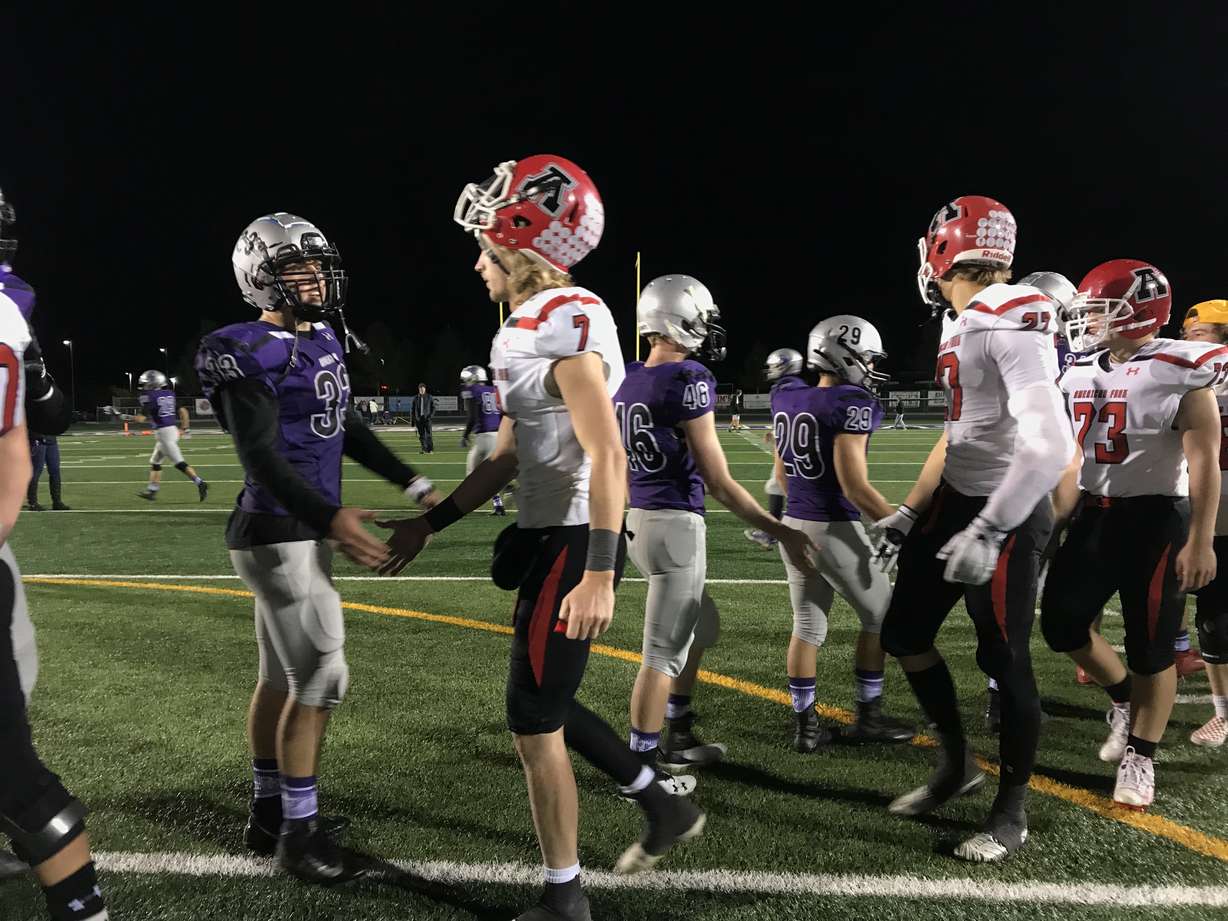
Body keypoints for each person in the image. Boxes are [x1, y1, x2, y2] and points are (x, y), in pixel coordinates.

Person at [382, 155, 704, 921]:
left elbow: (607, 453)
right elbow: (506, 457)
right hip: (552, 534)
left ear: (523, 245)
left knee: (532, 718)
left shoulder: (565, 317)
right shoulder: (526, 328)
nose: (478, 263)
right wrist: (430, 523)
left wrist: (597, 570)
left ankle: (566, 896)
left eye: (487, 249)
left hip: (575, 537)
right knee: (544, 702)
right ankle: (661, 804)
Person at [195, 212, 440, 884]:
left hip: (295, 530)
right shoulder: (244, 347)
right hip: (281, 531)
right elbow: (260, 457)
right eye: (296, 269)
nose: (314, 279)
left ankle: (269, 812)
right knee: (323, 678)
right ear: (260, 278)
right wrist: (330, 517)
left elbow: (344, 424)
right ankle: (299, 838)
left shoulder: (323, 337)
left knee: (281, 678)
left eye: (317, 266)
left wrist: (411, 480)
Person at [873, 196, 1073, 862]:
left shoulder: (1010, 314)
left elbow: (1051, 444)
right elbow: (960, 431)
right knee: (904, 632)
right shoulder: (963, 319)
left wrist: (989, 528)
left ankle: (1011, 810)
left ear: (942, 250)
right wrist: (910, 510)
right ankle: (958, 763)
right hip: (957, 499)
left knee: (1005, 659)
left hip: (1006, 511)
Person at [618, 273, 817, 778]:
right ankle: (642, 771)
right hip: (675, 527)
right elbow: (718, 481)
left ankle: (679, 729)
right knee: (661, 656)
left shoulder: (629, 375)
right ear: (679, 319)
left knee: (703, 624)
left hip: (638, 522)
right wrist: (782, 529)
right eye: (702, 318)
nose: (708, 329)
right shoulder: (688, 378)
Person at [1042, 262, 1223, 809]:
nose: (1089, 320)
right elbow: (1071, 458)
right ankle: (1123, 698)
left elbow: (1205, 460)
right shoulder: (1079, 371)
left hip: (1157, 520)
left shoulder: (1179, 368)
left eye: (1100, 309)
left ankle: (1141, 756)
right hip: (1093, 514)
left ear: (1139, 311)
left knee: (1153, 648)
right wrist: (1053, 523)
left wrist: (1201, 539)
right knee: (1061, 624)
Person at [0, 185, 110, 920]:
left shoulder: (7, 314)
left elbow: (30, 432)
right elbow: (38, 425)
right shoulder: (8, 311)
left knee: (14, 758)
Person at [772, 315, 915, 749]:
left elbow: (781, 474)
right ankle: (868, 718)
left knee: (807, 625)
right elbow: (855, 486)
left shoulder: (789, 395)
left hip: (794, 523)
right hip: (832, 525)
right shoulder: (851, 402)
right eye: (868, 358)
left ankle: (806, 728)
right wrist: (901, 524)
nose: (871, 366)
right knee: (881, 617)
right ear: (846, 355)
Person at [1181, 298, 1228, 747]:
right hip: (1211, 515)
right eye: (1188, 335)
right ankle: (1223, 713)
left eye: (1202, 333)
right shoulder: (1184, 378)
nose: (1192, 342)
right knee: (1214, 618)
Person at [745, 348, 802, 549]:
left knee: (780, 483)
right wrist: (776, 432)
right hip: (794, 444)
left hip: (792, 446)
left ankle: (783, 529)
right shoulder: (792, 386)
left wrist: (781, 441)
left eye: (772, 366)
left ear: (783, 366)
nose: (769, 370)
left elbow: (792, 418)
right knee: (777, 485)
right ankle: (772, 533)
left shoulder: (785, 389)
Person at [126, 371, 208, 502]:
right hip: (171, 430)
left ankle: (200, 483)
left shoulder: (149, 396)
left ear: (153, 384)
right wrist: (185, 428)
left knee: (179, 463)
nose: (144, 386)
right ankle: (152, 490)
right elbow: (183, 411)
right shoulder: (169, 393)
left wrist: (122, 416)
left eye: (146, 384)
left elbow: (140, 419)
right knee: (155, 462)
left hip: (164, 434)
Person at [460, 364, 506, 515]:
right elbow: (502, 414)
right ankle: (498, 505)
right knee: (489, 474)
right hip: (498, 435)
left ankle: (465, 505)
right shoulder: (494, 390)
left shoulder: (473, 390)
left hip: (484, 437)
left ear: (472, 378)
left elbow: (472, 417)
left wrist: (465, 435)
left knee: (472, 472)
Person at [26, 430, 68, 511]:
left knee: (55, 470)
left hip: (51, 439)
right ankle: (33, 502)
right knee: (36, 471)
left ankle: (57, 502)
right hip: (38, 439)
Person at [411, 383, 435, 453]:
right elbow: (413, 410)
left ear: (425, 389)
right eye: (420, 389)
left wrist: (430, 416)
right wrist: (413, 421)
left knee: (429, 434)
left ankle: (430, 449)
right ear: (419, 389)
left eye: (423, 389)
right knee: (421, 435)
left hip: (427, 419)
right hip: (419, 419)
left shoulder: (429, 397)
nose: (421, 390)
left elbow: (433, 408)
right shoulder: (415, 398)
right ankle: (424, 449)